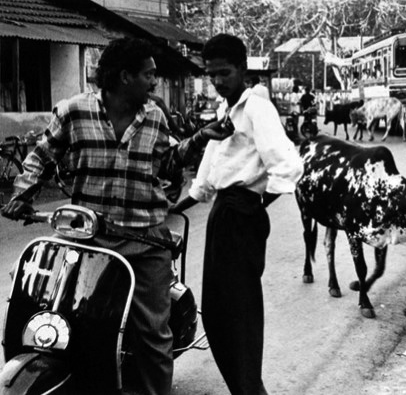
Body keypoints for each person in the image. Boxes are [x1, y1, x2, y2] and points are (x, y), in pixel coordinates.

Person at [0, 37, 233, 395]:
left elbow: (168, 164)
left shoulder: (155, 116)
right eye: (149, 75)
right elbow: (42, 156)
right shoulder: (73, 111)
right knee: (41, 299)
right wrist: (22, 194)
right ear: (125, 77)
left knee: (154, 334)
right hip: (84, 234)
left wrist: (200, 139)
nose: (155, 82)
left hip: (143, 240)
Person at [170, 33, 303, 395]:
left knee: (238, 312)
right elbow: (209, 175)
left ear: (243, 70)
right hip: (222, 212)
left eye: (224, 73)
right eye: (211, 74)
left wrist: (256, 205)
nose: (216, 81)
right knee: (215, 313)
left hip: (240, 213)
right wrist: (177, 206)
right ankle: (244, 388)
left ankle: (249, 389)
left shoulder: (257, 108)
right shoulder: (228, 110)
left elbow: (288, 166)